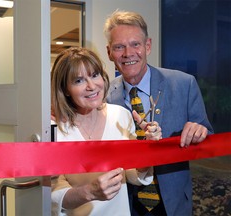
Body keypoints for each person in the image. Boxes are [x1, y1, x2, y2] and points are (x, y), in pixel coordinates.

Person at [104, 10, 214, 216]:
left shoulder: (184, 84)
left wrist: (201, 131)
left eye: (135, 44)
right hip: (123, 205)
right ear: (109, 52)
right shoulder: (103, 96)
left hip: (173, 203)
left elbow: (208, 135)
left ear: (148, 46)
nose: (128, 53)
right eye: (119, 47)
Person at [51, 47, 162, 216]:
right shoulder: (54, 129)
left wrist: (148, 152)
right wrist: (89, 192)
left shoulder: (120, 115)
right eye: (79, 81)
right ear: (65, 89)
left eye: (95, 75)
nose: (91, 86)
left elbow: (132, 172)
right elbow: (53, 193)